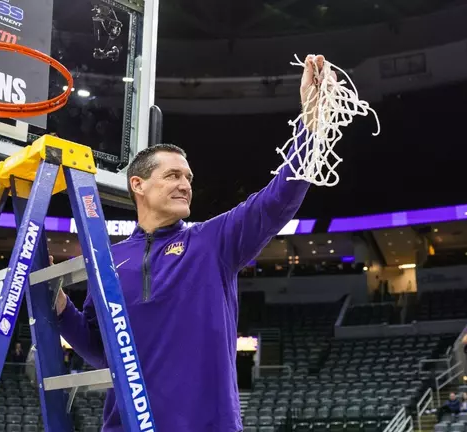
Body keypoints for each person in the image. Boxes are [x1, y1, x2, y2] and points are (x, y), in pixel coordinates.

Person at [53, 57, 326, 431]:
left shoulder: (214, 242)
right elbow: (101, 351)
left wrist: (311, 122)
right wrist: (60, 307)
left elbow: (277, 200)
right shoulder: (108, 259)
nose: (186, 184)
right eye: (172, 175)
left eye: (189, 177)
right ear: (138, 185)